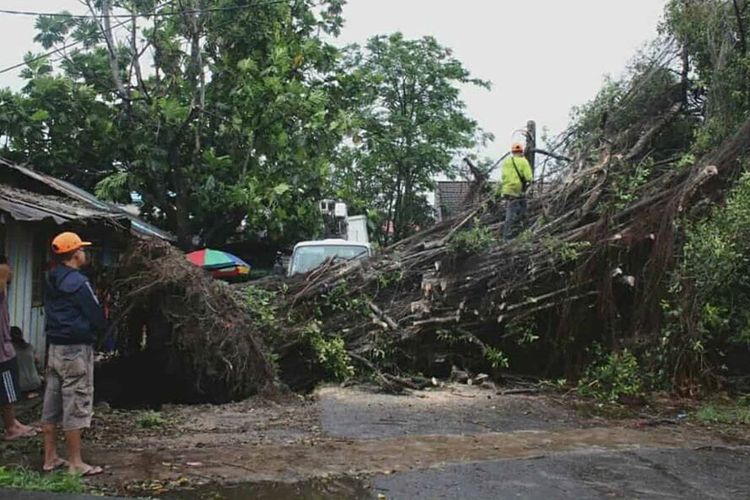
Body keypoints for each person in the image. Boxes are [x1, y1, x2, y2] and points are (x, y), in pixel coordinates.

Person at [42, 232, 105, 476]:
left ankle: (50, 458)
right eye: (82, 249)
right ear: (75, 254)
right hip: (75, 351)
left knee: (51, 404)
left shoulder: (51, 278)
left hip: (54, 349)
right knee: (75, 403)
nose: (85, 253)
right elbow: (95, 314)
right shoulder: (78, 282)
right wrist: (101, 331)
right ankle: (76, 463)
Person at [0, 256, 38, 441]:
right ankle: (11, 427)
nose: (12, 274)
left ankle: (13, 423)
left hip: (5, 347)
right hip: (2, 351)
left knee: (9, 392)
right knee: (7, 392)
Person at [499, 142, 533, 240]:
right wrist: (529, 182)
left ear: (512, 152)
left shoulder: (506, 161)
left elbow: (503, 176)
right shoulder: (523, 161)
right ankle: (507, 235)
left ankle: (515, 229)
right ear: (521, 152)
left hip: (506, 190)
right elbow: (529, 177)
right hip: (517, 190)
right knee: (517, 210)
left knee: (516, 207)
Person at [10, 326, 42, 398]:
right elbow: (37, 361)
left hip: (20, 387)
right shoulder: (30, 347)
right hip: (35, 384)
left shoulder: (9, 350)